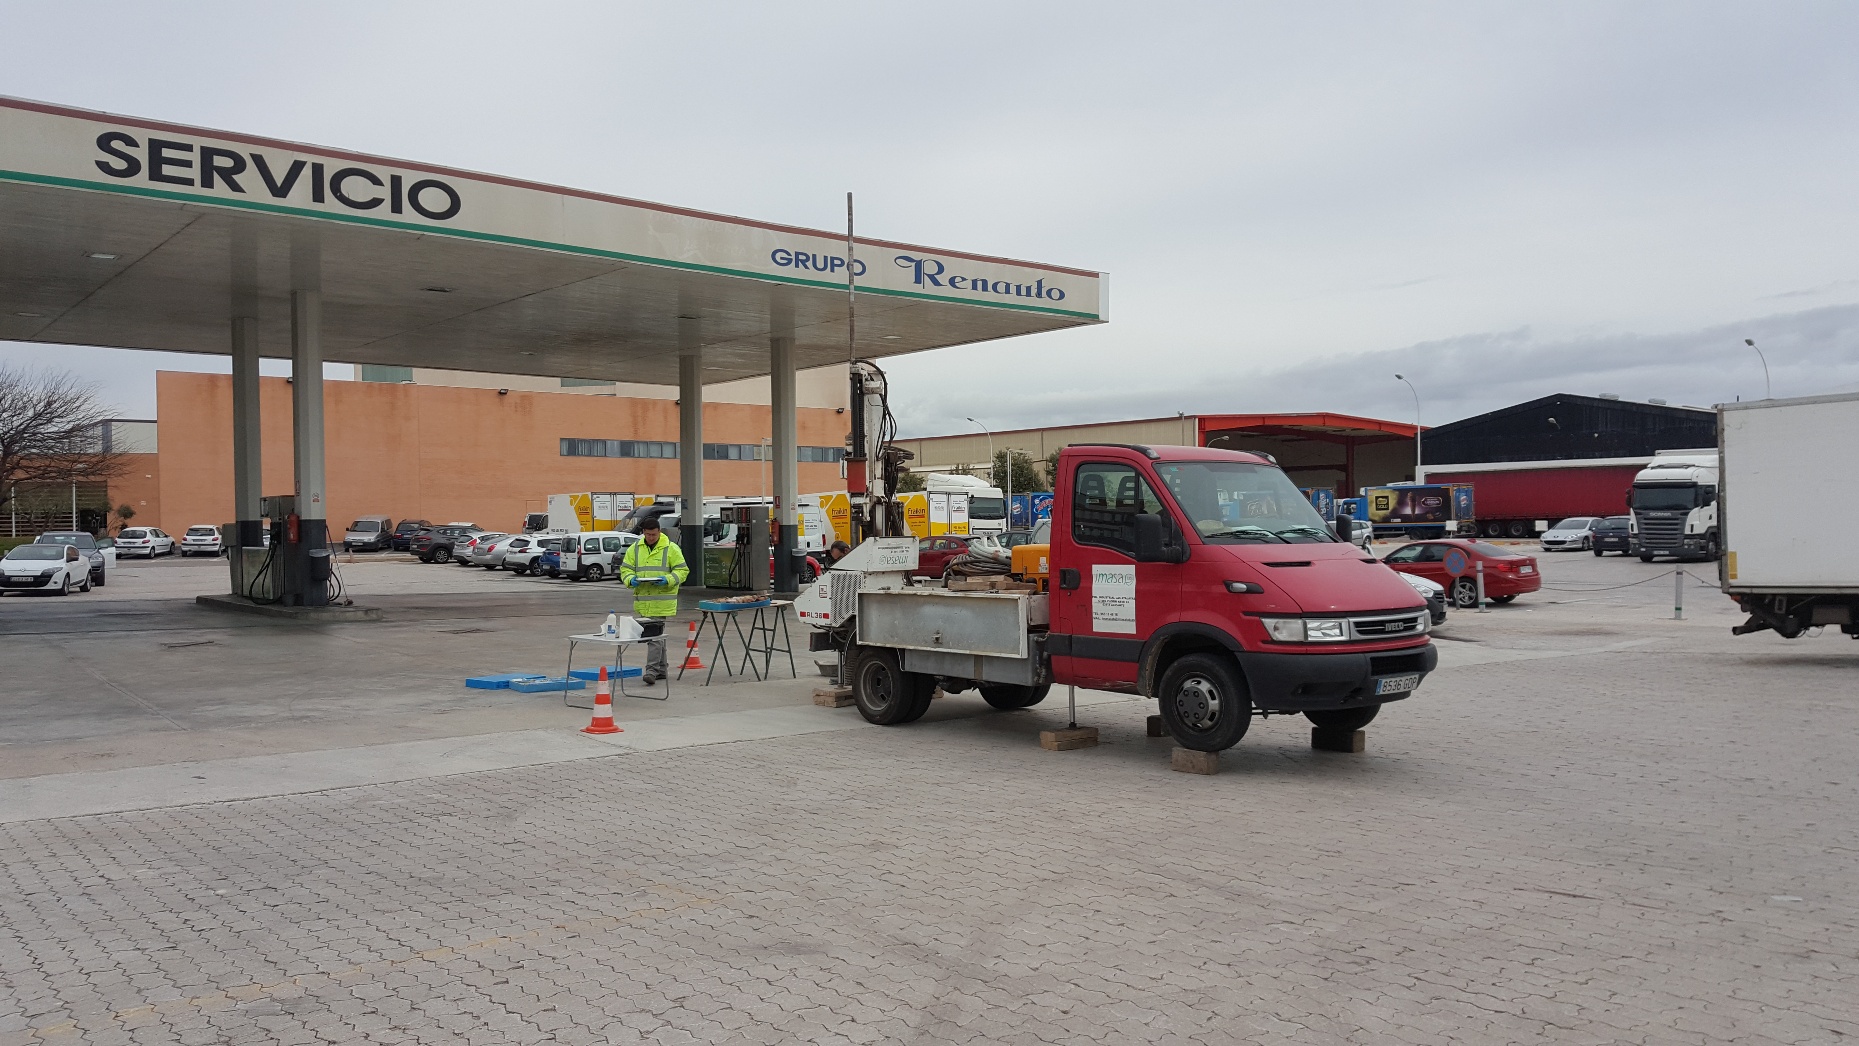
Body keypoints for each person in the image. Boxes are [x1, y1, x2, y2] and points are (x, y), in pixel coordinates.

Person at [619, 518, 689, 684]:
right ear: (643, 532)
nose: (651, 537)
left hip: (662, 601)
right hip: (643, 600)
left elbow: (682, 570)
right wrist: (630, 580)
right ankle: (662, 669)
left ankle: (651, 671)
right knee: (657, 636)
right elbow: (625, 569)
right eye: (648, 534)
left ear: (659, 532)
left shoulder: (671, 548)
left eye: (654, 534)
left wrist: (668, 579)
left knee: (653, 637)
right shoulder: (634, 549)